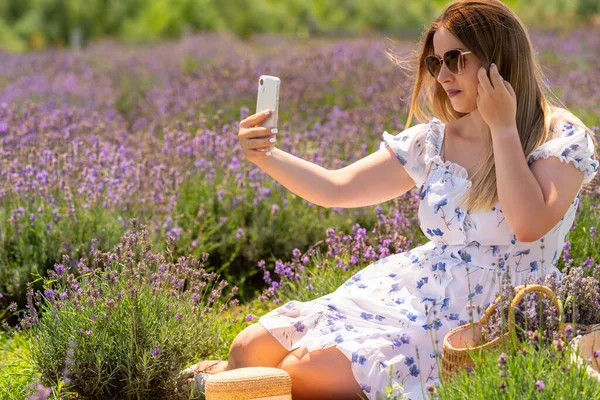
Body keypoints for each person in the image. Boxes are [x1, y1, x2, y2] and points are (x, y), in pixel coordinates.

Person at [196, 0, 599, 399]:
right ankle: (228, 384)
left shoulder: (560, 136)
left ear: (498, 59)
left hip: (490, 308)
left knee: (303, 374)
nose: (442, 75)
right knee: (248, 349)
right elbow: (337, 188)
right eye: (435, 63)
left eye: (455, 59)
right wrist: (266, 156)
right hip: (413, 288)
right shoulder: (433, 141)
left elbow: (529, 224)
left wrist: (503, 128)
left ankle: (229, 387)